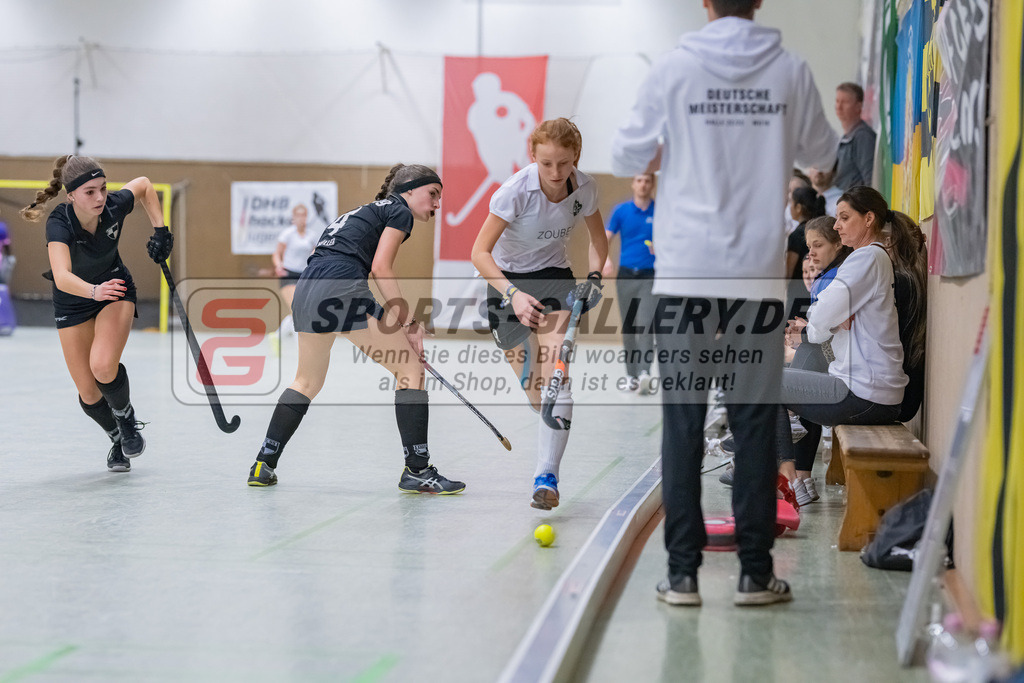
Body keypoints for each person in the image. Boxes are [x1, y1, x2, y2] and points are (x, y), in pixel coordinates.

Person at [611, 0, 838, 607]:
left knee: (684, 419)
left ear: (705, 4)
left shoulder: (673, 69)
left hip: (685, 272)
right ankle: (755, 574)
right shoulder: (788, 69)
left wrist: (675, 148)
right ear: (758, 2)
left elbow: (626, 155)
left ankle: (682, 576)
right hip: (756, 278)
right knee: (754, 420)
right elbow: (824, 155)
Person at [247, 164, 466, 494]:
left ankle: (264, 463)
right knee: (410, 370)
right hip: (340, 288)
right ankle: (418, 470)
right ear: (409, 190)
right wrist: (408, 322)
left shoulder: (362, 211)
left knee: (306, 381)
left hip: (307, 289)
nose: (437, 204)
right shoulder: (399, 211)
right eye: (433, 194)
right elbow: (380, 268)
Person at [471, 118, 609, 510]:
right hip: (506, 283)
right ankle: (541, 393)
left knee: (557, 375)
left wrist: (595, 277)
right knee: (535, 395)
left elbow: (599, 242)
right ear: (533, 156)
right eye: (546, 163)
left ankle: (546, 476)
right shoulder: (514, 192)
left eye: (564, 164)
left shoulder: (585, 188)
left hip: (554, 279)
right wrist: (513, 294)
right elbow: (479, 254)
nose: (555, 173)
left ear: (576, 159)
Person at [20, 155, 173, 471]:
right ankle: (118, 437)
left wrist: (161, 231)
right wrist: (92, 291)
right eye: (90, 191)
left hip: (114, 289)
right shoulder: (59, 223)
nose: (100, 197)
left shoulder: (114, 206)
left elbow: (143, 185)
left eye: (103, 188)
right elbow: (62, 276)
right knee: (89, 394)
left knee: (103, 366)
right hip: (74, 299)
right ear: (71, 195)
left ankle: (126, 417)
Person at [779, 187, 926, 498]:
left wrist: (825, 319)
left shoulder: (867, 258)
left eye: (844, 218)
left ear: (868, 219)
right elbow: (820, 324)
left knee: (763, 382)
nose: (836, 225)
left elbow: (818, 322)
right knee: (802, 357)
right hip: (871, 391)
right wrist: (826, 320)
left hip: (865, 395)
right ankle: (791, 461)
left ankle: (787, 476)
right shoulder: (870, 259)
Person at [602, 173, 657, 395]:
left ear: (652, 184)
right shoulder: (621, 211)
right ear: (633, 183)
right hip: (626, 276)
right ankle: (631, 377)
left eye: (647, 180)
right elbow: (604, 238)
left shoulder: (660, 211)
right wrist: (605, 261)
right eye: (639, 180)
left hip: (650, 276)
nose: (643, 184)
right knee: (629, 326)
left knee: (645, 324)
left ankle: (644, 373)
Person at [272, 203, 319, 336]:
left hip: (304, 275)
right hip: (288, 274)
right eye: (297, 215)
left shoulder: (312, 235)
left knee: (302, 310)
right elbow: (277, 253)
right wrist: (278, 265)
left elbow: (315, 253)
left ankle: (277, 336)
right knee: (296, 309)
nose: (301, 218)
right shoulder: (287, 234)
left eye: (303, 215)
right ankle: (299, 346)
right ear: (293, 217)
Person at [834, 82, 877, 191]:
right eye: (837, 101)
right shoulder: (845, 137)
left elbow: (871, 179)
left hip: (857, 205)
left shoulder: (863, 137)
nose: (839, 107)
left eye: (845, 102)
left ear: (858, 106)